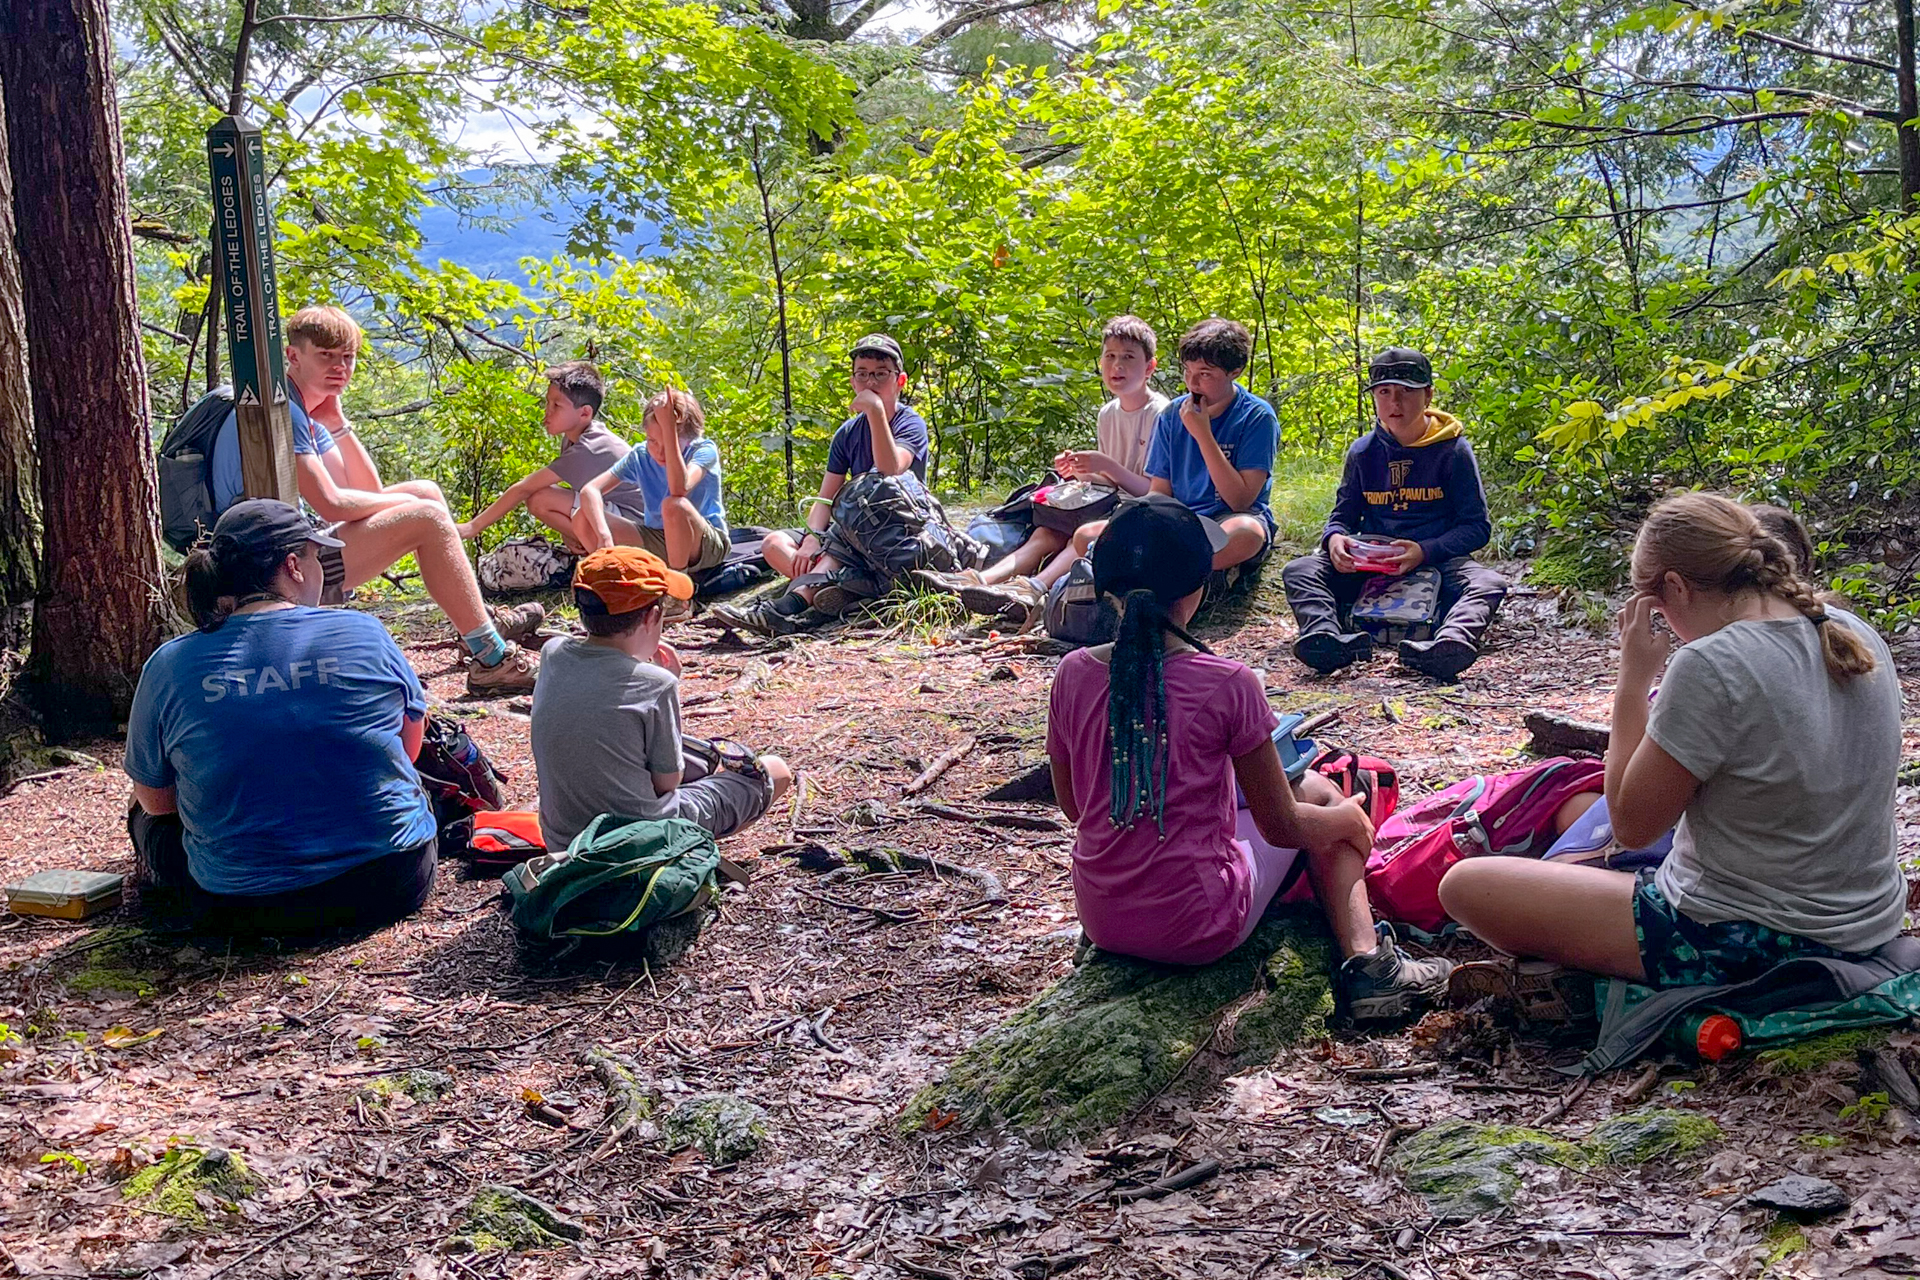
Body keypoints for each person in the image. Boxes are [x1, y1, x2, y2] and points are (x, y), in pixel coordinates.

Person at [1438, 493, 1903, 993]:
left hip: (1750, 938)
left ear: (1676, 587)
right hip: (1869, 923)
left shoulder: (1711, 663)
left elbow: (1632, 826)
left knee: (1467, 885)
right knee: (1578, 831)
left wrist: (1632, 682)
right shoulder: (1852, 631)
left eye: (1655, 607)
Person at [1046, 497, 1455, 1022]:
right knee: (1320, 793)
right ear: (1198, 587)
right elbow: (1283, 824)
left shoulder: (1073, 673)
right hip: (1200, 924)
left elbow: (1075, 806)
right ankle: (1370, 965)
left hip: (1102, 917)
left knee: (1281, 803)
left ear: (1105, 587)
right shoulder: (1228, 682)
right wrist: (1348, 818)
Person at [124, 500, 439, 934]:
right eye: (318, 556)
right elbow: (409, 748)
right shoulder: (363, 631)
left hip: (243, 909)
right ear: (294, 565)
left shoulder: (170, 664)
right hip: (391, 882)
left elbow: (157, 803)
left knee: (140, 813)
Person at [209, 306, 538, 695]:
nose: (339, 367)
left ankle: (476, 623)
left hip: (288, 551)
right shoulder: (286, 414)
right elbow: (332, 504)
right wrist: (421, 517)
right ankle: (492, 659)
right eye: (326, 356)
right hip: (279, 573)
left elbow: (367, 489)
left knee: (425, 493)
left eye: (347, 357)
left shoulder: (305, 412)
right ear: (293, 356)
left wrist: (339, 424)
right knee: (428, 517)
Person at [531, 546, 794, 852]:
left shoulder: (552, 653)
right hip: (641, 841)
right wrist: (665, 677)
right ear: (653, 616)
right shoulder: (656, 683)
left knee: (692, 759)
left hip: (562, 840)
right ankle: (686, 853)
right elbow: (667, 782)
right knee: (775, 770)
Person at [922, 316, 1168, 623]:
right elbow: (1109, 482)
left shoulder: (1161, 413)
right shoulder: (1108, 413)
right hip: (1111, 502)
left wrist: (1105, 465)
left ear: (1149, 368)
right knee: (1046, 530)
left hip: (1141, 511)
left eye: (1128, 357)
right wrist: (1080, 472)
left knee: (1078, 535)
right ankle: (980, 579)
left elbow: (1153, 490)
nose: (1117, 365)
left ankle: (1033, 588)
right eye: (1110, 356)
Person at [1282, 348, 1507, 681]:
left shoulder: (1453, 450)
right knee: (1300, 570)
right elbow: (1342, 515)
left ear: (1428, 395)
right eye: (1384, 392)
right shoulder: (1362, 452)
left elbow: (1476, 528)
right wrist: (1335, 540)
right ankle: (1328, 640)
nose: (1394, 403)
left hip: (1437, 561)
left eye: (1406, 392)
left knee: (1488, 582)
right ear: (1374, 397)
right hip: (1371, 562)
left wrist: (1424, 551)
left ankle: (1450, 644)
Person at [709, 334, 930, 635]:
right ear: (852, 381)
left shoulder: (910, 424)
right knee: (774, 544)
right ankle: (845, 592)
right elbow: (826, 497)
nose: (870, 382)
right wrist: (812, 537)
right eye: (862, 374)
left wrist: (876, 412)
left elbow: (890, 469)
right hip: (851, 530)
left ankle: (786, 609)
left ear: (899, 381)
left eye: (880, 374)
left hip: (895, 530)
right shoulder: (847, 433)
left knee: (836, 550)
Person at [455, 361, 639, 552]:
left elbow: (524, 488)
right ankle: (584, 543)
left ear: (585, 413)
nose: (547, 411)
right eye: (547, 402)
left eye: (557, 405)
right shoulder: (574, 438)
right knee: (543, 497)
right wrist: (567, 533)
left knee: (541, 498)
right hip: (617, 517)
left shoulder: (589, 447)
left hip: (636, 527)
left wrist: (471, 528)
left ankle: (598, 548)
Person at [575, 387, 732, 588]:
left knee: (673, 505)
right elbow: (590, 490)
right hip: (660, 538)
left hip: (704, 543)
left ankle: (679, 591)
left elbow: (679, 488)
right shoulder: (641, 455)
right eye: (652, 441)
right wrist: (604, 534)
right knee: (582, 517)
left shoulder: (703, 450)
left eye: (669, 442)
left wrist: (669, 429)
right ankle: (620, 582)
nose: (659, 451)